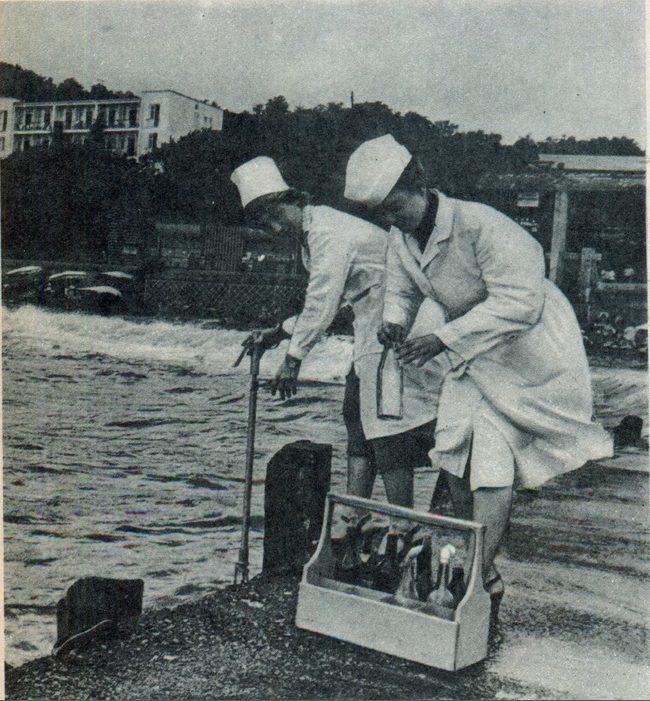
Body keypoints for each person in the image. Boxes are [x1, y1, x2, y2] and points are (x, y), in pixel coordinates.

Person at [344, 134, 613, 613]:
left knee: (492, 460)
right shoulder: (403, 238)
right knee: (453, 451)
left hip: (526, 353)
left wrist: (443, 338)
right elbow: (402, 289)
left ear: (419, 186)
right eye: (382, 214)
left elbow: (521, 303)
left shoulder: (483, 225)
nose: (392, 219)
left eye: (396, 207)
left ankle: (476, 576)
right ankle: (482, 571)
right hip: (472, 355)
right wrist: (394, 322)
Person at [230, 156, 448, 524]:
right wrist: (281, 332)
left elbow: (323, 301)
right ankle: (355, 517)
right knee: (356, 415)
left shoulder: (327, 232)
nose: (273, 227)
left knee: (388, 427)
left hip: (401, 323)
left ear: (292, 200)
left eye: (274, 215)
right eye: (263, 222)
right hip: (372, 324)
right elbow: (340, 304)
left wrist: (293, 359)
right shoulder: (312, 237)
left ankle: (403, 525)